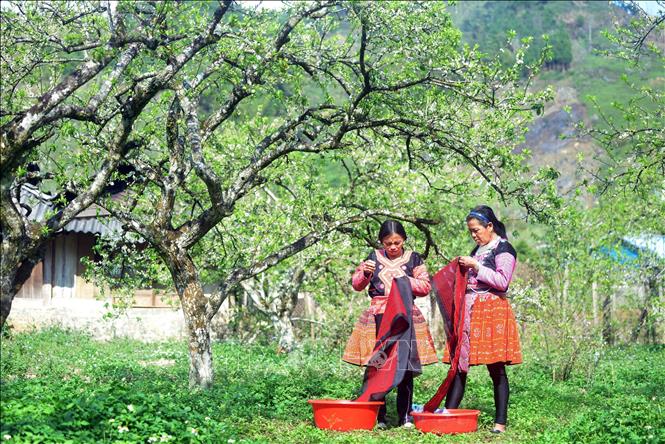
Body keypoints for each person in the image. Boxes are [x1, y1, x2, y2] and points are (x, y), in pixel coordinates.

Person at [342, 220, 438, 428]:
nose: (393, 247)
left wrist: (404, 280)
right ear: (381, 243)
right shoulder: (372, 258)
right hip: (379, 316)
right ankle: (379, 417)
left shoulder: (413, 259)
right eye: (388, 243)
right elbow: (357, 285)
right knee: (377, 364)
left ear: (403, 240)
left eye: (397, 242)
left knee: (404, 365)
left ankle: (405, 417)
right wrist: (366, 273)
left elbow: (425, 286)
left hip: (403, 316)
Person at [443, 205, 522, 433]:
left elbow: (502, 281)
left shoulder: (504, 249)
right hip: (470, 312)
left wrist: (476, 266)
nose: (474, 235)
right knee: (460, 364)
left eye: (476, 230)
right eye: (470, 232)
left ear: (490, 226)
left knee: (495, 367)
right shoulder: (477, 249)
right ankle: (449, 415)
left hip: (492, 312)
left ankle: (500, 423)